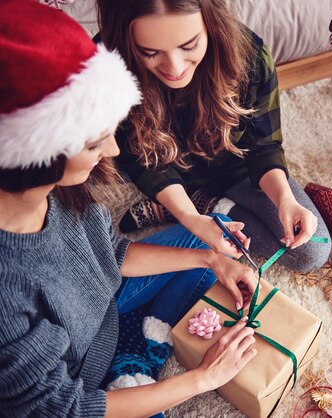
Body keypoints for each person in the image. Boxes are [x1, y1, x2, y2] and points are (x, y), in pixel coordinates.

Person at [0, 1, 259, 416]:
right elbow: (68, 409)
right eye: (93, 143)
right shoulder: (6, 290)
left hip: (102, 315)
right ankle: (135, 359)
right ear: (36, 155)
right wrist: (202, 378)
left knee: (215, 232)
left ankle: (136, 346)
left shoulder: (55, 192)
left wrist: (209, 259)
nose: (115, 150)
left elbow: (110, 253)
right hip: (79, 384)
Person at [96, 0, 332, 273]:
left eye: (189, 46)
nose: (174, 68)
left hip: (239, 169)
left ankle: (202, 202)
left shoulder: (249, 55)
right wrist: (191, 218)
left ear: (211, 21)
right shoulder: (107, 68)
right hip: (165, 173)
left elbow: (263, 145)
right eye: (149, 52)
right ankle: (186, 205)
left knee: (311, 252)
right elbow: (143, 163)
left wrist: (285, 200)